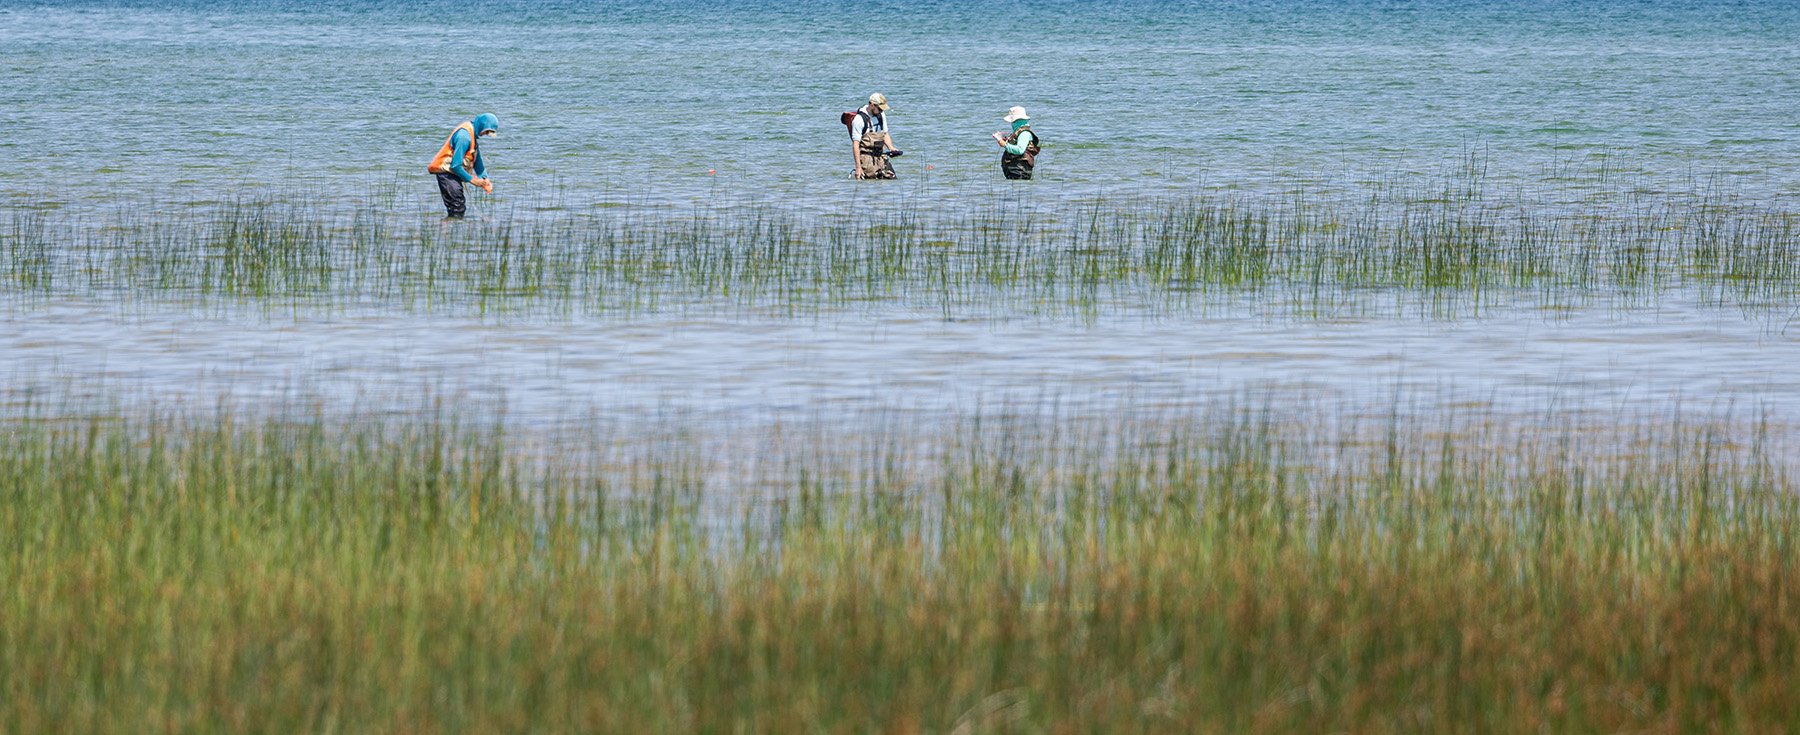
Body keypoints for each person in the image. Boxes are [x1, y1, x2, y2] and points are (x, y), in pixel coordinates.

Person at [427, 113, 499, 218]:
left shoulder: (473, 135)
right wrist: (472, 180)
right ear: (482, 126)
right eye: (487, 131)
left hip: (453, 173)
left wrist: (485, 178)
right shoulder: (464, 136)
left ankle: (451, 228)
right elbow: (455, 166)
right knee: (457, 207)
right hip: (446, 174)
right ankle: (451, 230)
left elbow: (477, 159)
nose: (486, 134)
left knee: (458, 206)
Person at [848, 93, 901, 180]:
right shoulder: (859, 119)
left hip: (880, 155)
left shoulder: (881, 115)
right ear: (872, 105)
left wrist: (891, 148)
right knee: (870, 183)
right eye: (880, 109)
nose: (881, 111)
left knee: (892, 179)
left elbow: (885, 134)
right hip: (866, 159)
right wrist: (858, 167)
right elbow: (856, 144)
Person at [990, 106, 1040, 180]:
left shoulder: (1024, 133)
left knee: (1019, 190)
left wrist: (1005, 145)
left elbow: (1020, 150)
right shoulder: (1018, 131)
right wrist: (1005, 141)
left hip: (1020, 170)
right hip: (1014, 169)